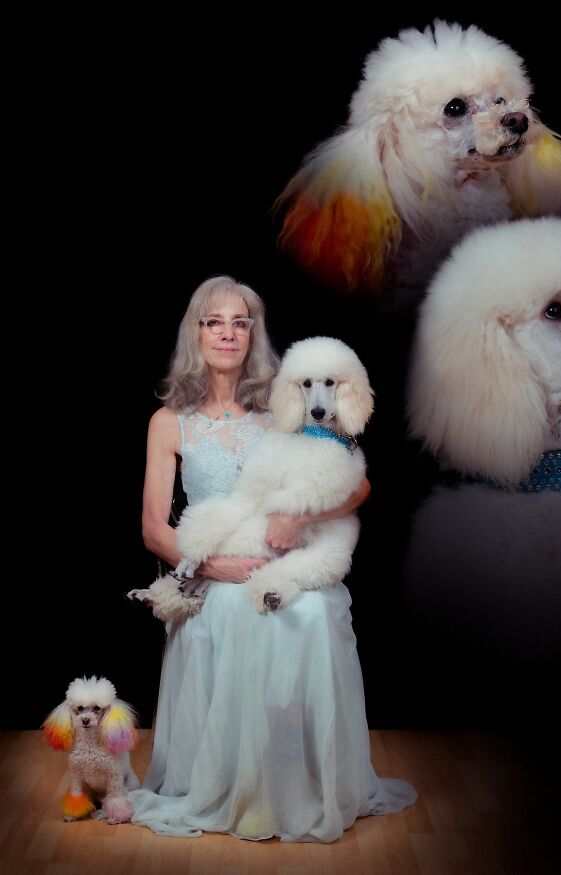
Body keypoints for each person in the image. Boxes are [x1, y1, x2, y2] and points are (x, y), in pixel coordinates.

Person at [129, 275, 417, 841]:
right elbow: (152, 528)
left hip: (285, 555)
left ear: (253, 334)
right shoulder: (168, 422)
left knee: (313, 611)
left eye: (240, 322)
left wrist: (299, 519)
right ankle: (238, 787)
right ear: (197, 333)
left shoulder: (285, 408)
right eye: (215, 322)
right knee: (243, 611)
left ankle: (297, 786)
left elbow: (357, 487)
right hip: (216, 565)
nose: (228, 334)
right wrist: (214, 567)